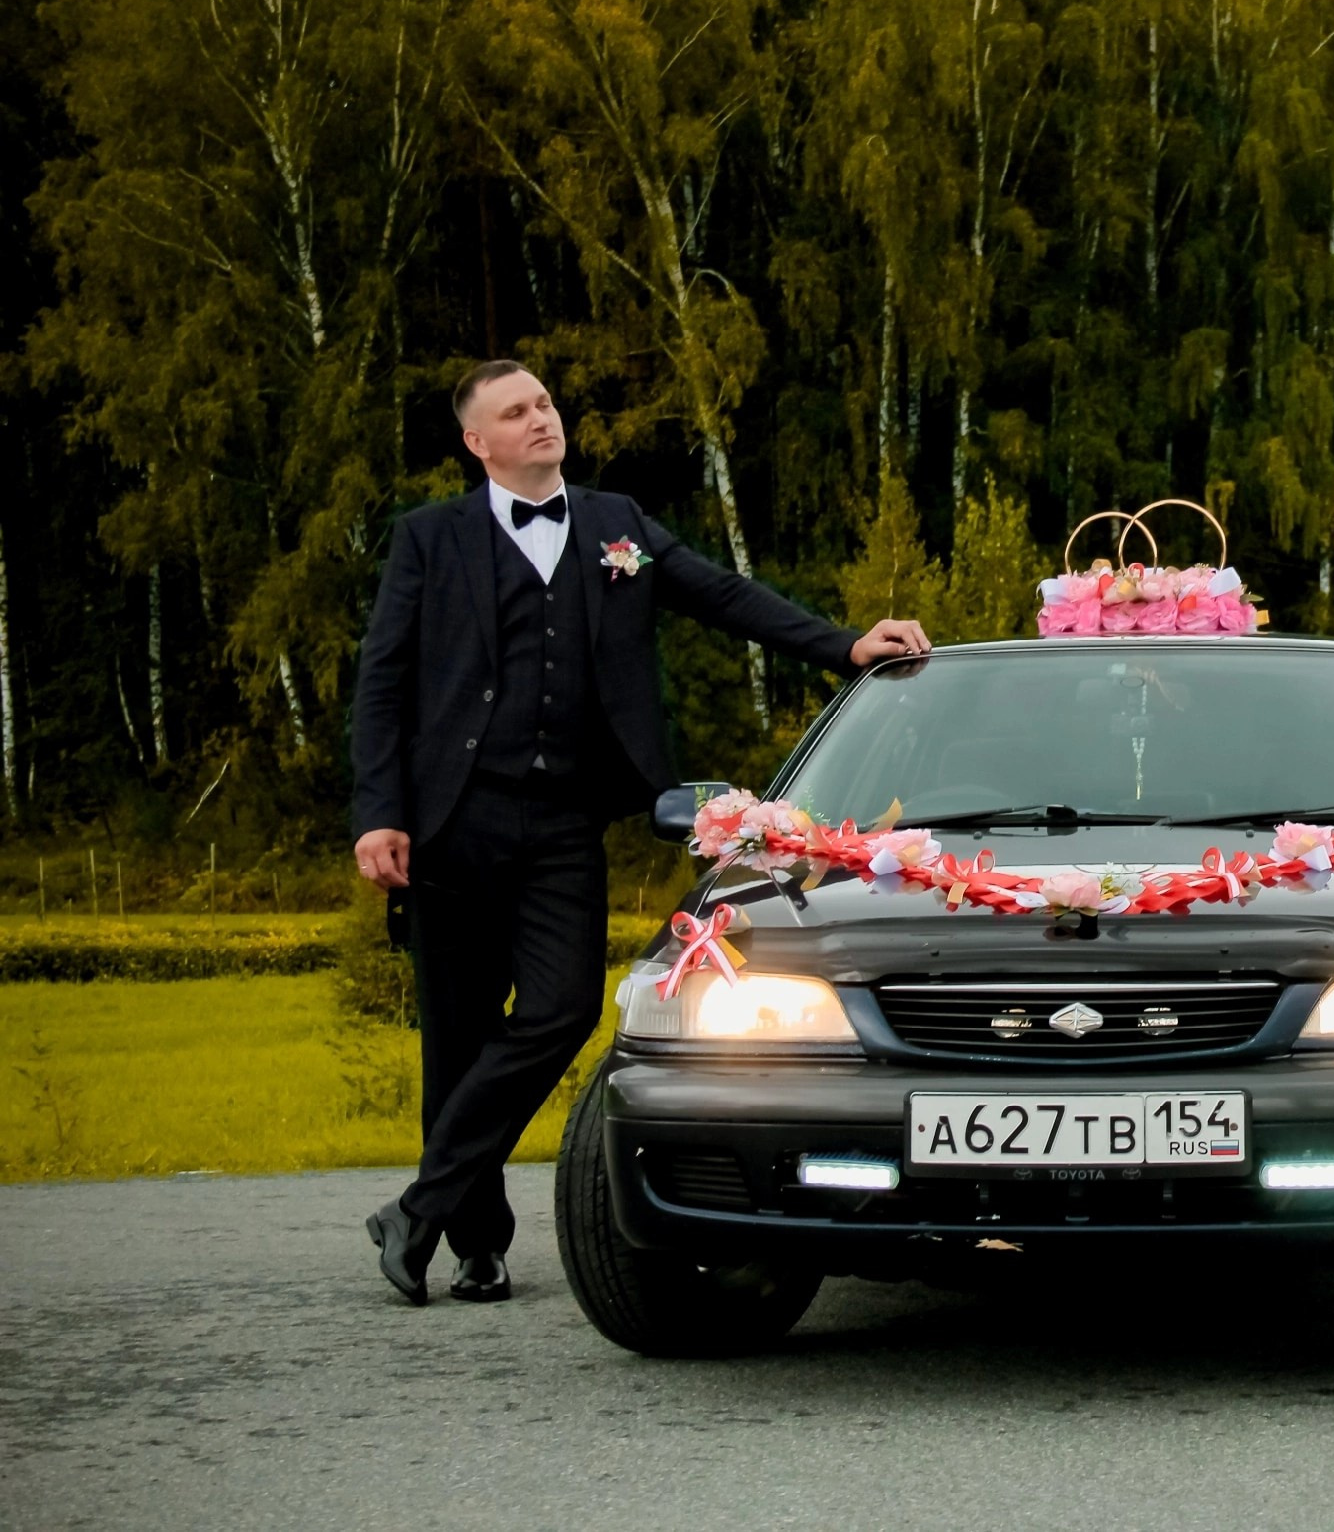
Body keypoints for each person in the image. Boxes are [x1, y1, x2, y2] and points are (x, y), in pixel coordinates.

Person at [350, 360, 929, 1306]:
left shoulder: (617, 523)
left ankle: (416, 1203)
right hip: (452, 822)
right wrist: (378, 814)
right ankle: (474, 1243)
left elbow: (723, 596)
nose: (540, 419)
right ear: (477, 442)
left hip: (564, 824)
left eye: (543, 402)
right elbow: (382, 683)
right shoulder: (428, 539)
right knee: (455, 1039)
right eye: (515, 412)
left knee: (564, 1009)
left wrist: (843, 644)